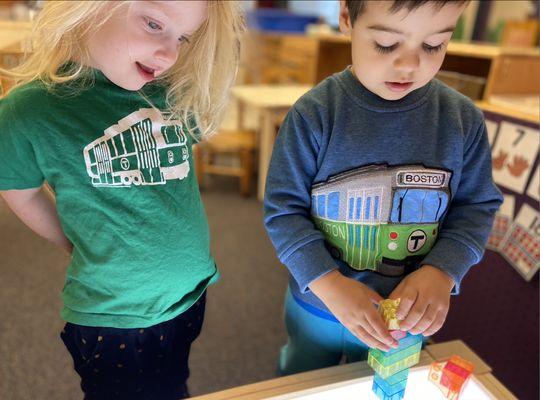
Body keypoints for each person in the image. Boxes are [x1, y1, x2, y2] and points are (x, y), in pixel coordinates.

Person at [0, 1, 243, 399]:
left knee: (171, 384)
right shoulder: (30, 110)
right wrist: (71, 240)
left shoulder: (166, 95)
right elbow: (19, 191)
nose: (170, 53)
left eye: (181, 37)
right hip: (116, 317)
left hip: (189, 294)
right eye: (153, 24)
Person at [264, 0, 502, 376]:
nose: (409, 65)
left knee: (384, 385)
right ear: (346, 17)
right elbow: (282, 213)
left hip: (405, 318)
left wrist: (443, 272)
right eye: (387, 45)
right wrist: (329, 284)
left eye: (433, 45)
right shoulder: (313, 115)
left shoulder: (462, 120)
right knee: (300, 379)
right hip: (317, 307)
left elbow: (476, 208)